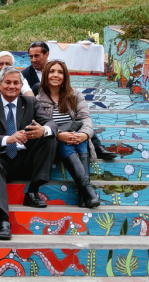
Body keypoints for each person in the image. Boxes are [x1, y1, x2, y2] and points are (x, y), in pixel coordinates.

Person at [0, 66, 57, 240]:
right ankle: (2, 220)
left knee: (49, 137)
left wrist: (42, 130)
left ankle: (33, 191)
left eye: (16, 83)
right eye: (8, 82)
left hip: (27, 158)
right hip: (1, 159)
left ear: (22, 85)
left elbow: (51, 124)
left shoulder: (31, 103)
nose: (12, 86)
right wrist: (9, 139)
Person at [22, 41, 117, 160]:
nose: (33, 59)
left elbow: (67, 90)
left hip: (63, 108)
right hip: (44, 113)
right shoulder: (25, 74)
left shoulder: (58, 69)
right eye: (30, 56)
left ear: (46, 55)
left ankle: (97, 147)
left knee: (80, 118)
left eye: (37, 56)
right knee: (37, 86)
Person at [37, 60, 101, 209]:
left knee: (80, 139)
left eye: (60, 72)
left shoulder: (75, 95)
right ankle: (88, 191)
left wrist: (84, 134)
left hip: (77, 141)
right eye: (52, 71)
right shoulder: (38, 100)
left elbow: (85, 118)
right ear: (46, 75)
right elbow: (40, 127)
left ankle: (84, 195)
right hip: (53, 145)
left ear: (65, 76)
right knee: (66, 141)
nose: (56, 75)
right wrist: (59, 135)